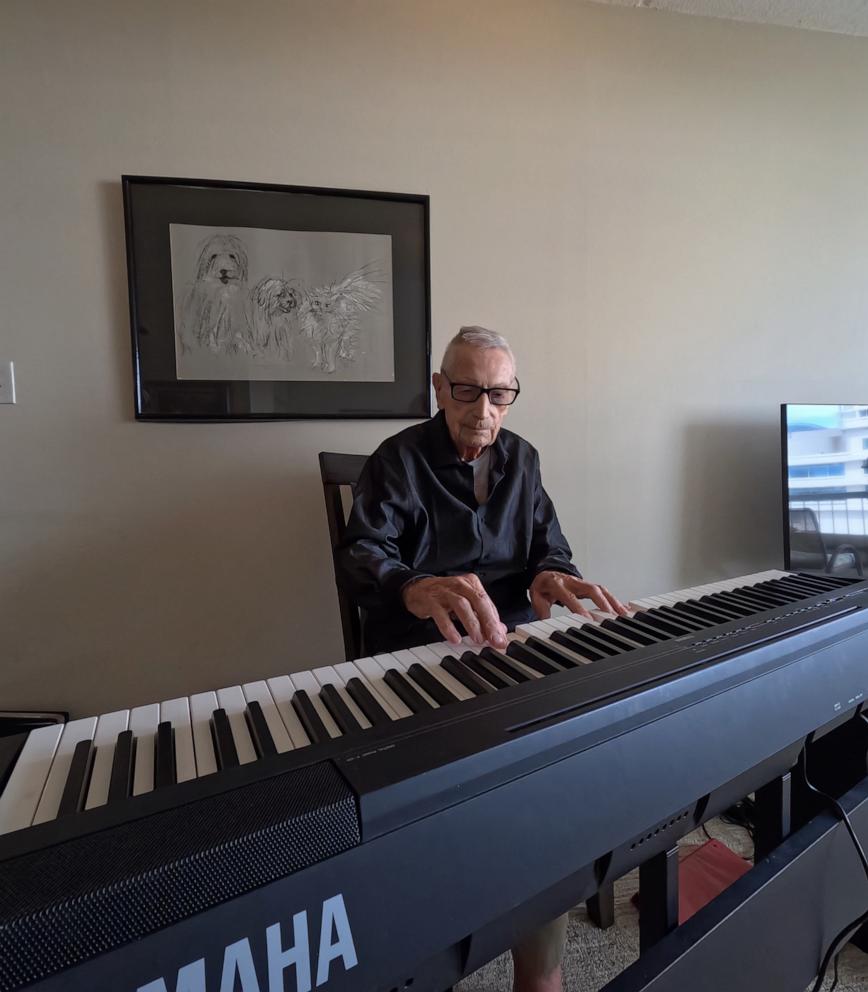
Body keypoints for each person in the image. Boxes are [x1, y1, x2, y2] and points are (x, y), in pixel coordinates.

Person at [338, 325, 627, 992]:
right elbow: (361, 555)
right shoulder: (397, 460)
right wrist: (412, 585)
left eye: (500, 393)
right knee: (442, 799)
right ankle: (423, 947)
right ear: (440, 389)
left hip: (510, 653)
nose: (483, 409)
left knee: (555, 775)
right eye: (467, 390)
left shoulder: (523, 460)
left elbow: (547, 549)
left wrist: (552, 575)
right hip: (414, 660)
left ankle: (540, 969)